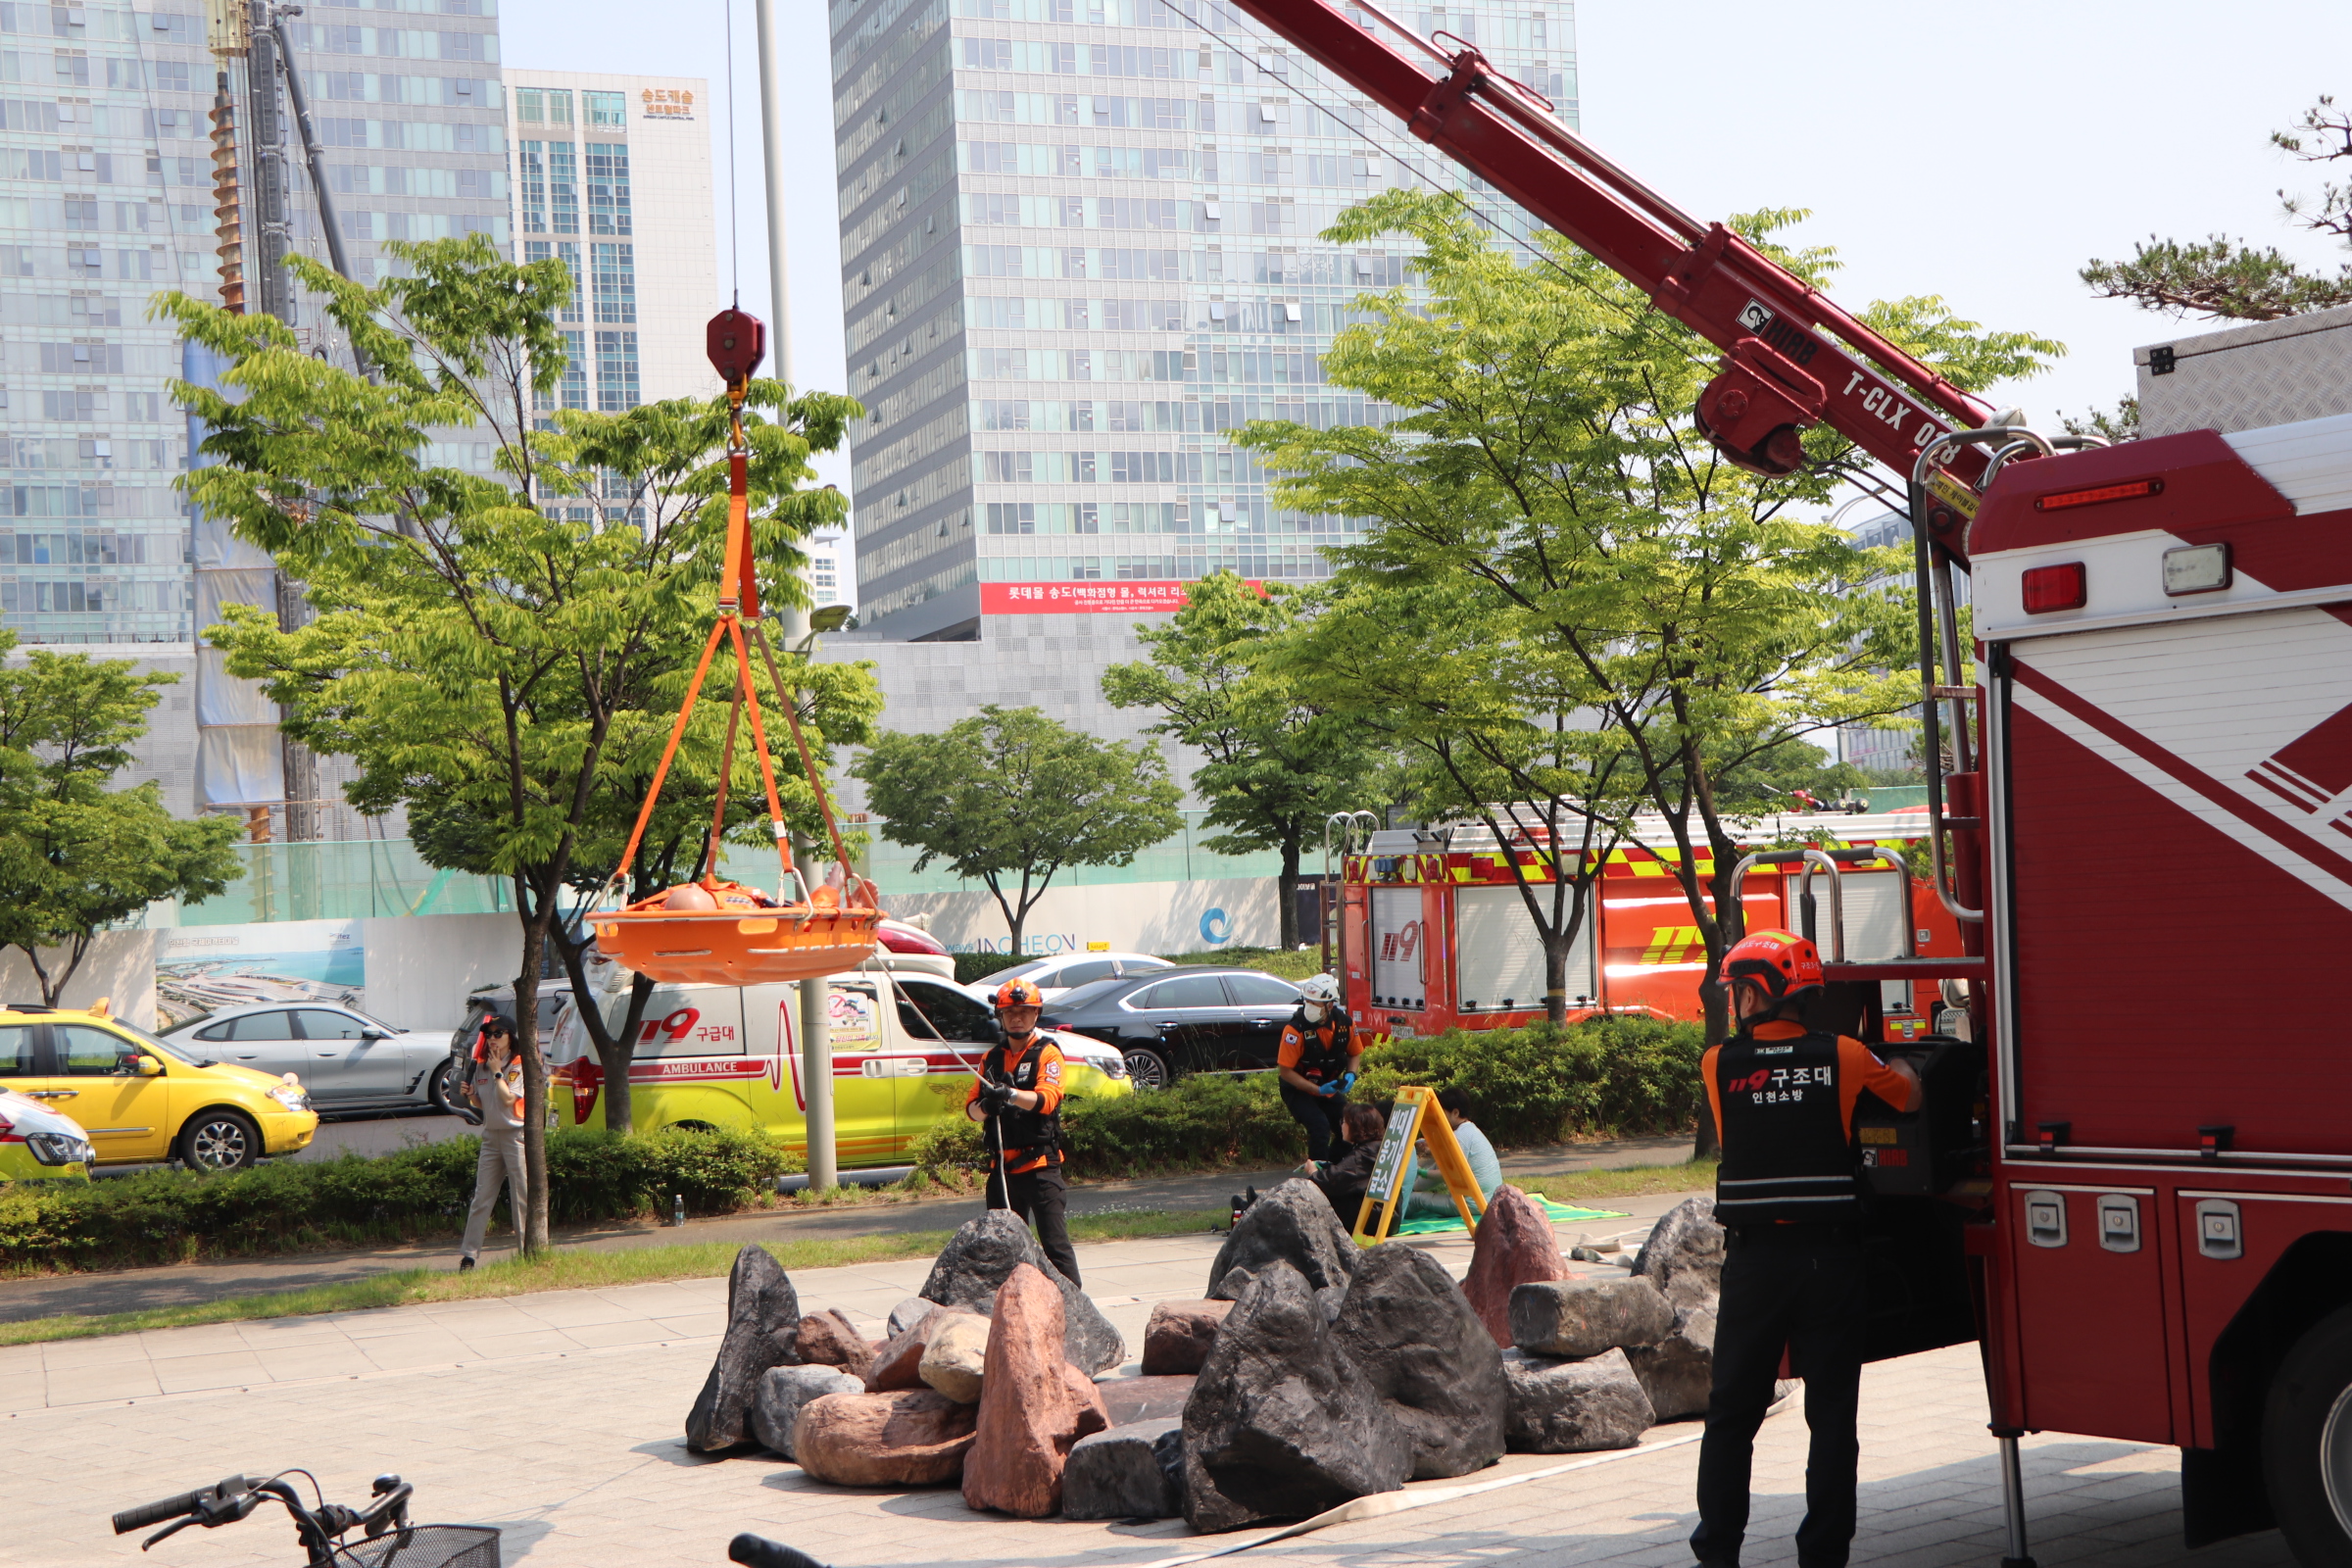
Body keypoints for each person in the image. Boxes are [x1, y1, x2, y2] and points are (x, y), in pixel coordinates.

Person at [1690, 929, 1921, 1568]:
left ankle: (1717, 1554)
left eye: (1738, 988)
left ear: (1761, 991)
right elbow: (1910, 1094)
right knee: (1831, 1417)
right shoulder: (1846, 1056)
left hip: (1753, 1263)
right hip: (1829, 1261)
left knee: (1732, 1413)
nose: (1733, 999)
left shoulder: (1719, 1063)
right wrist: (1897, 1065)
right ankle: (1822, 1556)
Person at [964, 976, 1082, 1287]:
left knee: (1055, 1248)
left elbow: (1047, 1099)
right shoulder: (990, 1058)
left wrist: (1012, 1095)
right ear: (1001, 1017)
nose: (1017, 1017)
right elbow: (971, 1111)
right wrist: (988, 1105)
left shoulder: (1048, 1053)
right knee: (1001, 1253)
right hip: (1002, 1173)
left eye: (1025, 1011)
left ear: (1036, 1014)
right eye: (1010, 1012)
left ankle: (1074, 1310)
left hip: (1040, 1167)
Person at [458, 1015, 531, 1273]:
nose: (492, 1039)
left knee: (521, 1196)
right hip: (491, 1137)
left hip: (515, 1136)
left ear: (511, 1036)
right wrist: (471, 1096)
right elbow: (483, 1103)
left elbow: (508, 1099)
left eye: (498, 1033)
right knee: (481, 1198)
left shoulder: (519, 1064)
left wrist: (498, 1071)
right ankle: (469, 1256)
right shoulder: (480, 1066)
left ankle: (527, 1254)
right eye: (489, 1034)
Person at [1275, 973, 1359, 1163]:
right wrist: (1317, 1090)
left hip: (1327, 1087)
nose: (1310, 1007)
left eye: (1316, 1004)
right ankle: (1316, 1181)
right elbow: (1285, 1071)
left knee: (1349, 1127)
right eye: (1308, 1002)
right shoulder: (1295, 1030)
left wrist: (1351, 1074)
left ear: (1330, 1005)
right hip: (1298, 1089)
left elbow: (1354, 1053)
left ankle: (1336, 1169)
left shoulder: (1345, 1024)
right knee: (1319, 1127)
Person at [1398, 1087, 1502, 1219]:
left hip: (1473, 1203)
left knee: (1415, 1199)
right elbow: (1446, 1161)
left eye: (1442, 1113)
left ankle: (1390, 1218)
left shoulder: (1460, 1137)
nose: (1438, 1118)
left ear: (1455, 1113)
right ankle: (1413, 1188)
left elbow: (1445, 1174)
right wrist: (1432, 1149)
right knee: (1437, 1166)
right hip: (1486, 1199)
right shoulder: (1469, 1130)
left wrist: (1420, 1171)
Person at [1305, 1102, 1387, 1224]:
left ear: (1355, 1126)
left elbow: (1333, 1181)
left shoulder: (1362, 1155)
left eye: (1344, 1122)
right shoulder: (1379, 1147)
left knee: (1321, 1198)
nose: (1342, 1126)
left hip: (1373, 1218)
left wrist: (1313, 1172)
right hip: (1385, 1214)